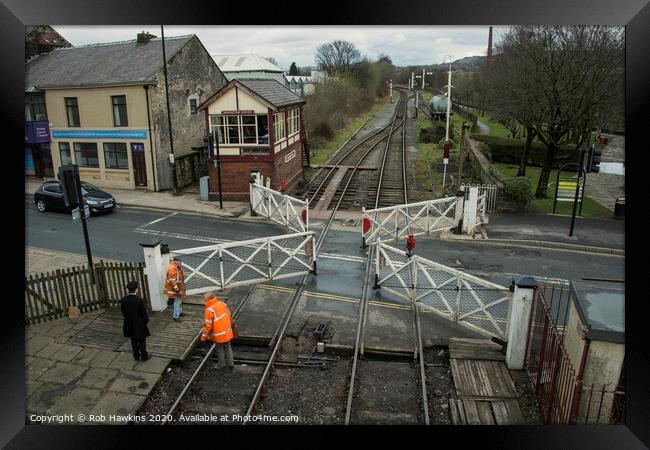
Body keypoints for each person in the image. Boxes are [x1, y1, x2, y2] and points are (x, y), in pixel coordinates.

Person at [200, 292, 235, 370]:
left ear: (208, 299)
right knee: (228, 348)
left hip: (218, 334)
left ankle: (221, 365)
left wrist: (203, 337)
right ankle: (231, 364)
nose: (204, 301)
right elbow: (229, 315)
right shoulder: (222, 304)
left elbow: (208, 326)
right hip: (227, 331)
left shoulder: (209, 310)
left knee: (219, 349)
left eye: (205, 299)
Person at [121, 280, 151, 362]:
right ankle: (144, 357)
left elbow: (123, 312)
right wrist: (144, 322)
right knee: (141, 341)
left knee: (133, 341)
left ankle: (136, 356)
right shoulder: (139, 300)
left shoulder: (124, 300)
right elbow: (144, 315)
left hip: (129, 324)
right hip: (139, 324)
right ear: (136, 289)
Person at [164, 256, 186, 322]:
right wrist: (177, 290)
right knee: (177, 302)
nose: (181, 263)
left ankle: (179, 312)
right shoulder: (172, 269)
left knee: (179, 301)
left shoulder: (176, 267)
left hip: (177, 287)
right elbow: (172, 281)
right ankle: (176, 316)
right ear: (176, 262)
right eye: (180, 262)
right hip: (174, 289)